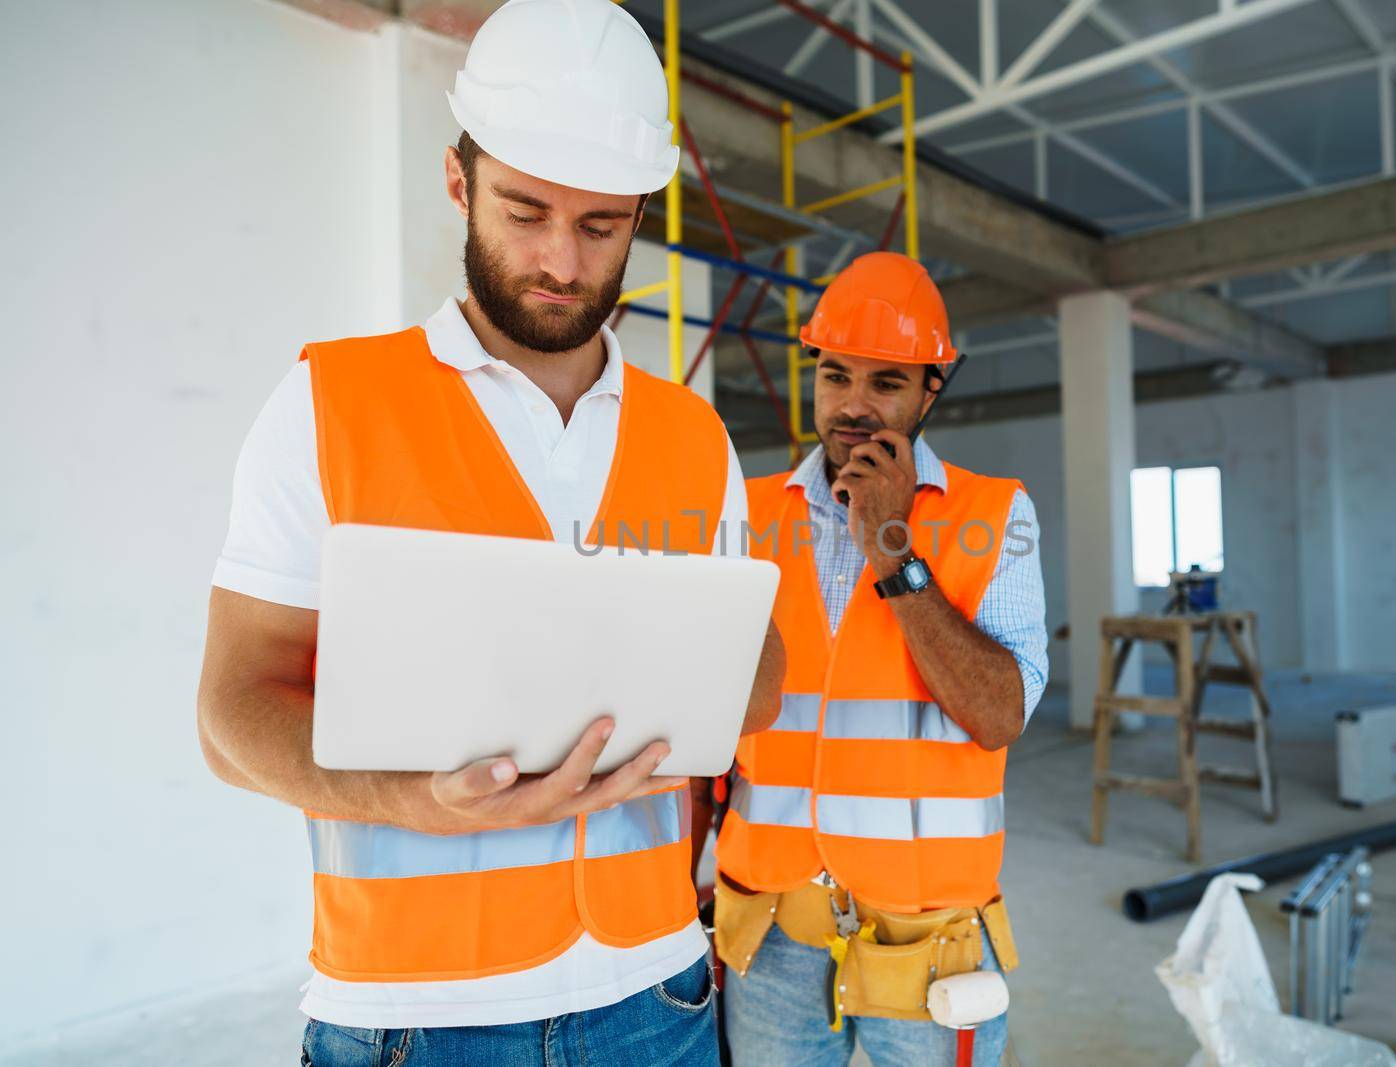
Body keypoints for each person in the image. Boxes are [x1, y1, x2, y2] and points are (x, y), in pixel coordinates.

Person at [195, 2, 782, 1063]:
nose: (561, 260)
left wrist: (702, 679)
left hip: (658, 991)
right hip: (418, 1013)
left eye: (601, 224)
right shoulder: (330, 403)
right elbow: (231, 709)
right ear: (460, 182)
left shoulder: (694, 436)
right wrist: (413, 800)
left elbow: (760, 671)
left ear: (640, 215)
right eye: (525, 210)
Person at [709, 252, 1048, 1067]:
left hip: (932, 935)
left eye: (886, 383)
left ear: (933, 388)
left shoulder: (996, 514)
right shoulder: (743, 513)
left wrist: (893, 548)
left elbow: (999, 714)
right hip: (773, 927)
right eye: (835, 376)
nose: (853, 406)